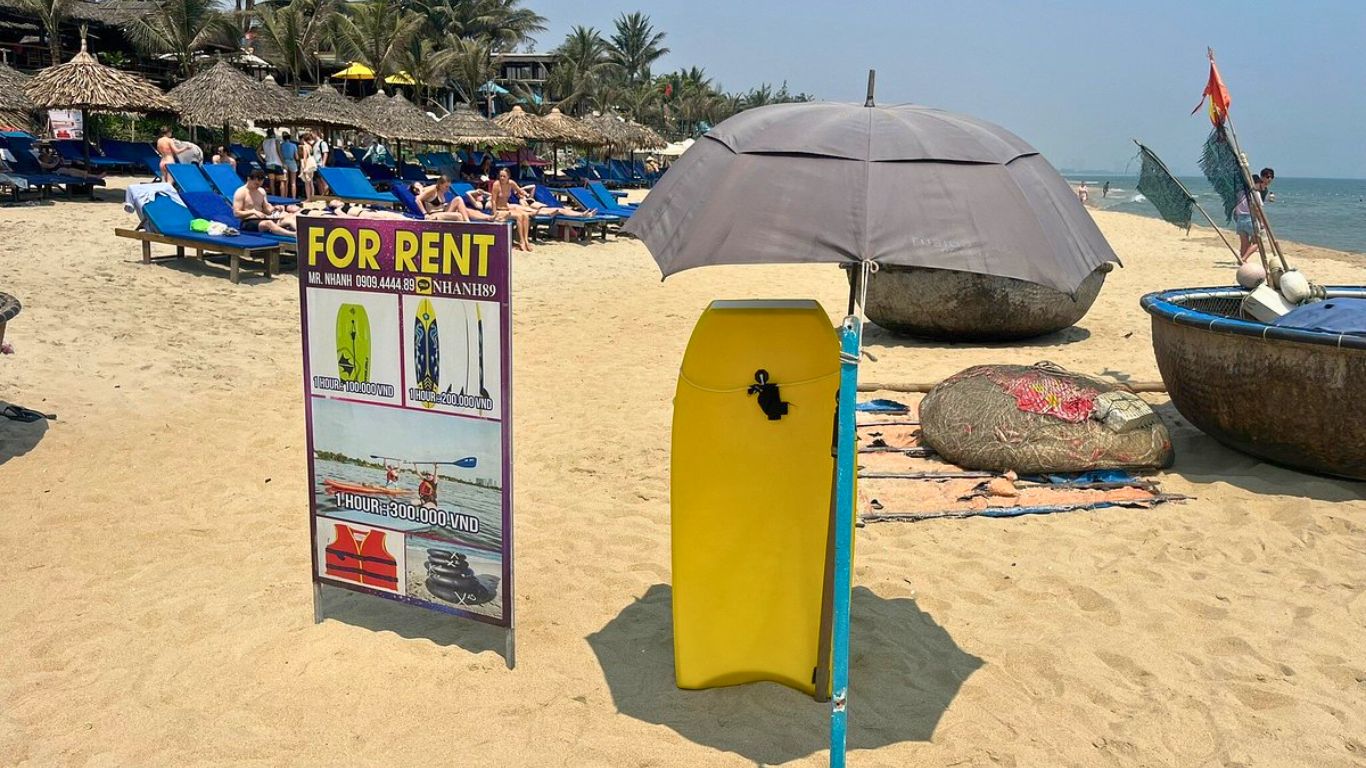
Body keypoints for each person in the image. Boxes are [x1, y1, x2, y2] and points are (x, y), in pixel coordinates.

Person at [232, 168, 298, 235]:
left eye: (260, 184)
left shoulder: (261, 191)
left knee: (288, 219)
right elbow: (236, 213)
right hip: (247, 222)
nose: (258, 186)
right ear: (249, 179)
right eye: (256, 184)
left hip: (263, 219)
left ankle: (302, 232)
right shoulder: (241, 192)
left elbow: (267, 211)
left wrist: (274, 208)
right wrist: (253, 211)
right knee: (269, 223)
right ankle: (294, 235)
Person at [1234, 168, 1274, 264]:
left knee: (1244, 243)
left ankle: (1242, 261)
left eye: (1271, 177)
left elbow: (1237, 205)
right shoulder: (1256, 194)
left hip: (1240, 220)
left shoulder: (1241, 193)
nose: (1269, 179)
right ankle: (1244, 259)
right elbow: (1257, 209)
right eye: (1267, 177)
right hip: (1250, 219)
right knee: (1258, 243)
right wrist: (1261, 222)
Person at [260, 130, 284, 197]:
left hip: (269, 164)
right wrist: (283, 162)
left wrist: (262, 160)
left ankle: (274, 196)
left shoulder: (264, 142)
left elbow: (257, 152)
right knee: (282, 181)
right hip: (277, 163)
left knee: (271, 181)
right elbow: (279, 152)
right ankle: (283, 197)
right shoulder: (276, 141)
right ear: (274, 133)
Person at [298, 132, 318, 199]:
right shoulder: (310, 146)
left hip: (307, 165)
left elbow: (305, 157)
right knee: (311, 182)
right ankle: (312, 196)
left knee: (307, 183)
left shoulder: (305, 146)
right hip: (311, 165)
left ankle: (308, 198)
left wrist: (304, 167)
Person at [280, 131, 299, 199]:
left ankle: (285, 197)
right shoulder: (294, 145)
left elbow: (280, 155)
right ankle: (293, 198)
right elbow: (296, 157)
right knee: (293, 182)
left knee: (285, 182)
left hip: (284, 162)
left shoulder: (281, 145)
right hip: (292, 162)